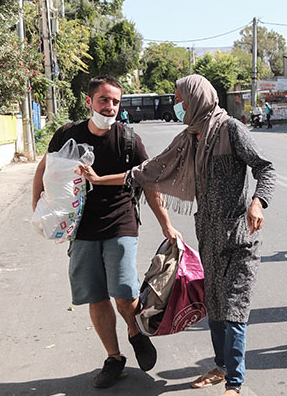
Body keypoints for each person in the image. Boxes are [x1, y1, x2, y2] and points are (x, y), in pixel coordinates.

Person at [85, 74, 276, 396]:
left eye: (179, 99)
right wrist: (101, 180)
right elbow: (149, 170)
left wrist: (258, 202)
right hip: (209, 236)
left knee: (234, 307)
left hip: (240, 237)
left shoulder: (231, 129)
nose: (177, 105)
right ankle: (221, 366)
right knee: (215, 305)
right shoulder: (190, 137)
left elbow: (265, 167)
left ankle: (235, 383)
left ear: (195, 99)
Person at [31, 76, 180, 389]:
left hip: (120, 223)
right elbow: (44, 170)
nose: (110, 107)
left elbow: (149, 183)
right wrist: (38, 208)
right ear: (89, 101)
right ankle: (114, 358)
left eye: (115, 101)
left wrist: (166, 224)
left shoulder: (129, 139)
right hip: (81, 227)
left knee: (124, 293)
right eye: (104, 100)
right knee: (95, 296)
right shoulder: (67, 134)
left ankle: (135, 331)